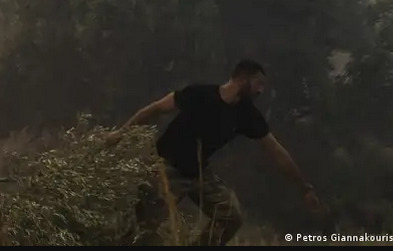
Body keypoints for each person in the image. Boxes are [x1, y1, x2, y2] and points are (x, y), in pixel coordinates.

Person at [104, 59, 325, 246]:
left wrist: (304, 188)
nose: (260, 91)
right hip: (166, 168)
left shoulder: (247, 115)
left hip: (200, 173)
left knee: (231, 217)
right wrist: (120, 133)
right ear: (243, 78)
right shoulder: (199, 94)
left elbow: (277, 152)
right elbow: (154, 109)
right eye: (258, 83)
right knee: (142, 230)